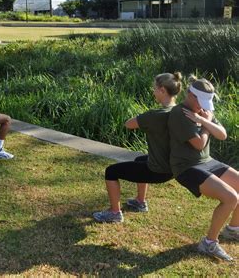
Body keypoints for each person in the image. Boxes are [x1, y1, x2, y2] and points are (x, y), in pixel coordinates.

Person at [93, 73, 181, 223]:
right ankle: (140, 202)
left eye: (154, 89)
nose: (153, 92)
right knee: (139, 159)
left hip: (157, 171)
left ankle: (115, 213)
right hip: (173, 168)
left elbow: (128, 124)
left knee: (111, 171)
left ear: (162, 90)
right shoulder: (180, 111)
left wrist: (145, 119)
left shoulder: (155, 115)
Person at [168, 76, 238, 262]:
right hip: (186, 167)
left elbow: (222, 135)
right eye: (199, 101)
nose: (202, 106)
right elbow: (199, 144)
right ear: (190, 95)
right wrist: (206, 125)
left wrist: (203, 120)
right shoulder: (179, 113)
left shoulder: (203, 111)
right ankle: (209, 243)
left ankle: (233, 230)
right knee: (231, 197)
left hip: (207, 161)